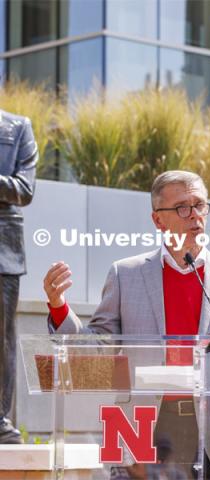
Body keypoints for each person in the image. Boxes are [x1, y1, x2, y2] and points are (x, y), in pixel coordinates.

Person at [43, 170, 210, 479]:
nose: (195, 216)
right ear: (158, 220)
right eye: (182, 207)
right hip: (145, 428)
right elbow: (97, 350)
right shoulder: (126, 275)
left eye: (200, 205)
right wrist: (59, 308)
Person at [0, 109, 38, 444]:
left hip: (3, 249)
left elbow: (24, 190)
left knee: (2, 339)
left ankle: (0, 421)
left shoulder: (17, 127)